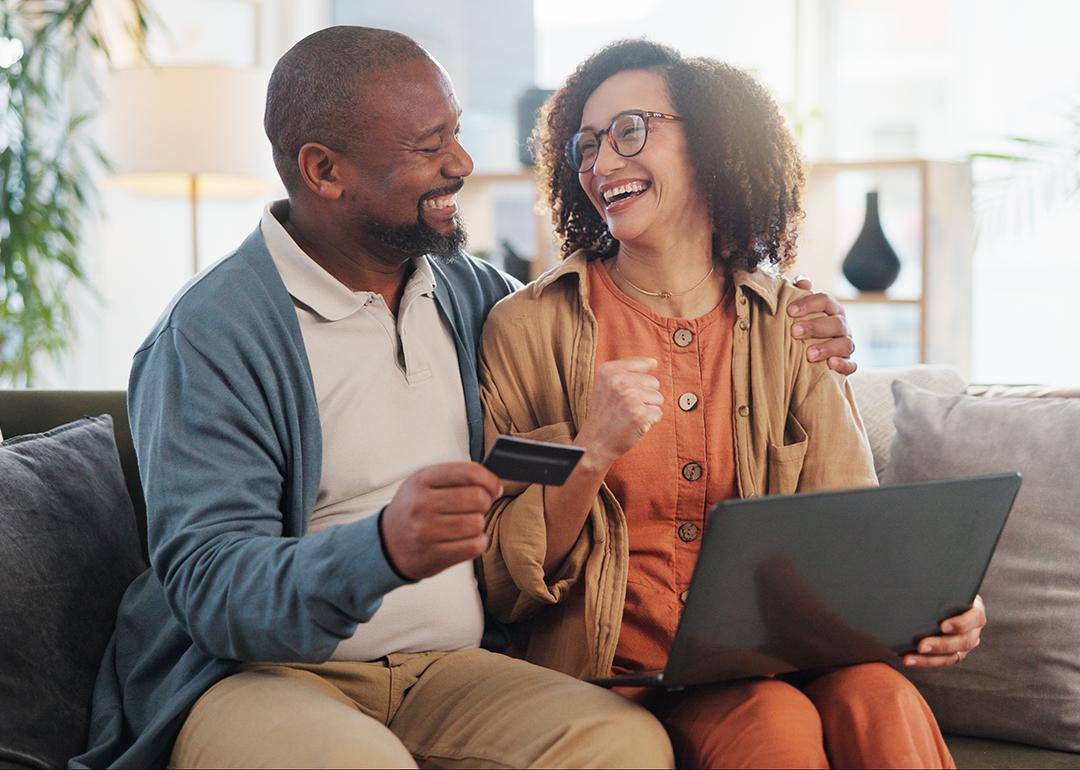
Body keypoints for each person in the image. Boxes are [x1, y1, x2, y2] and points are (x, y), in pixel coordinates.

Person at [71, 27, 856, 769]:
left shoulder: (472, 295)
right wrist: (381, 549)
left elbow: (598, 317)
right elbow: (212, 585)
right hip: (264, 675)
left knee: (622, 746)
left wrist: (796, 314)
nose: (463, 162)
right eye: (429, 147)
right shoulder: (211, 334)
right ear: (324, 171)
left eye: (454, 131)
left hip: (451, 670)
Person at [478, 39, 985, 769]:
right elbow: (504, 580)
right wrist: (591, 451)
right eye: (586, 146)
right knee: (769, 717)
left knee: (882, 696)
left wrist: (940, 608)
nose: (601, 165)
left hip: (774, 659)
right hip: (616, 678)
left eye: (630, 132)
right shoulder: (528, 330)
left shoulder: (793, 324)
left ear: (714, 144)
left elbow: (849, 529)